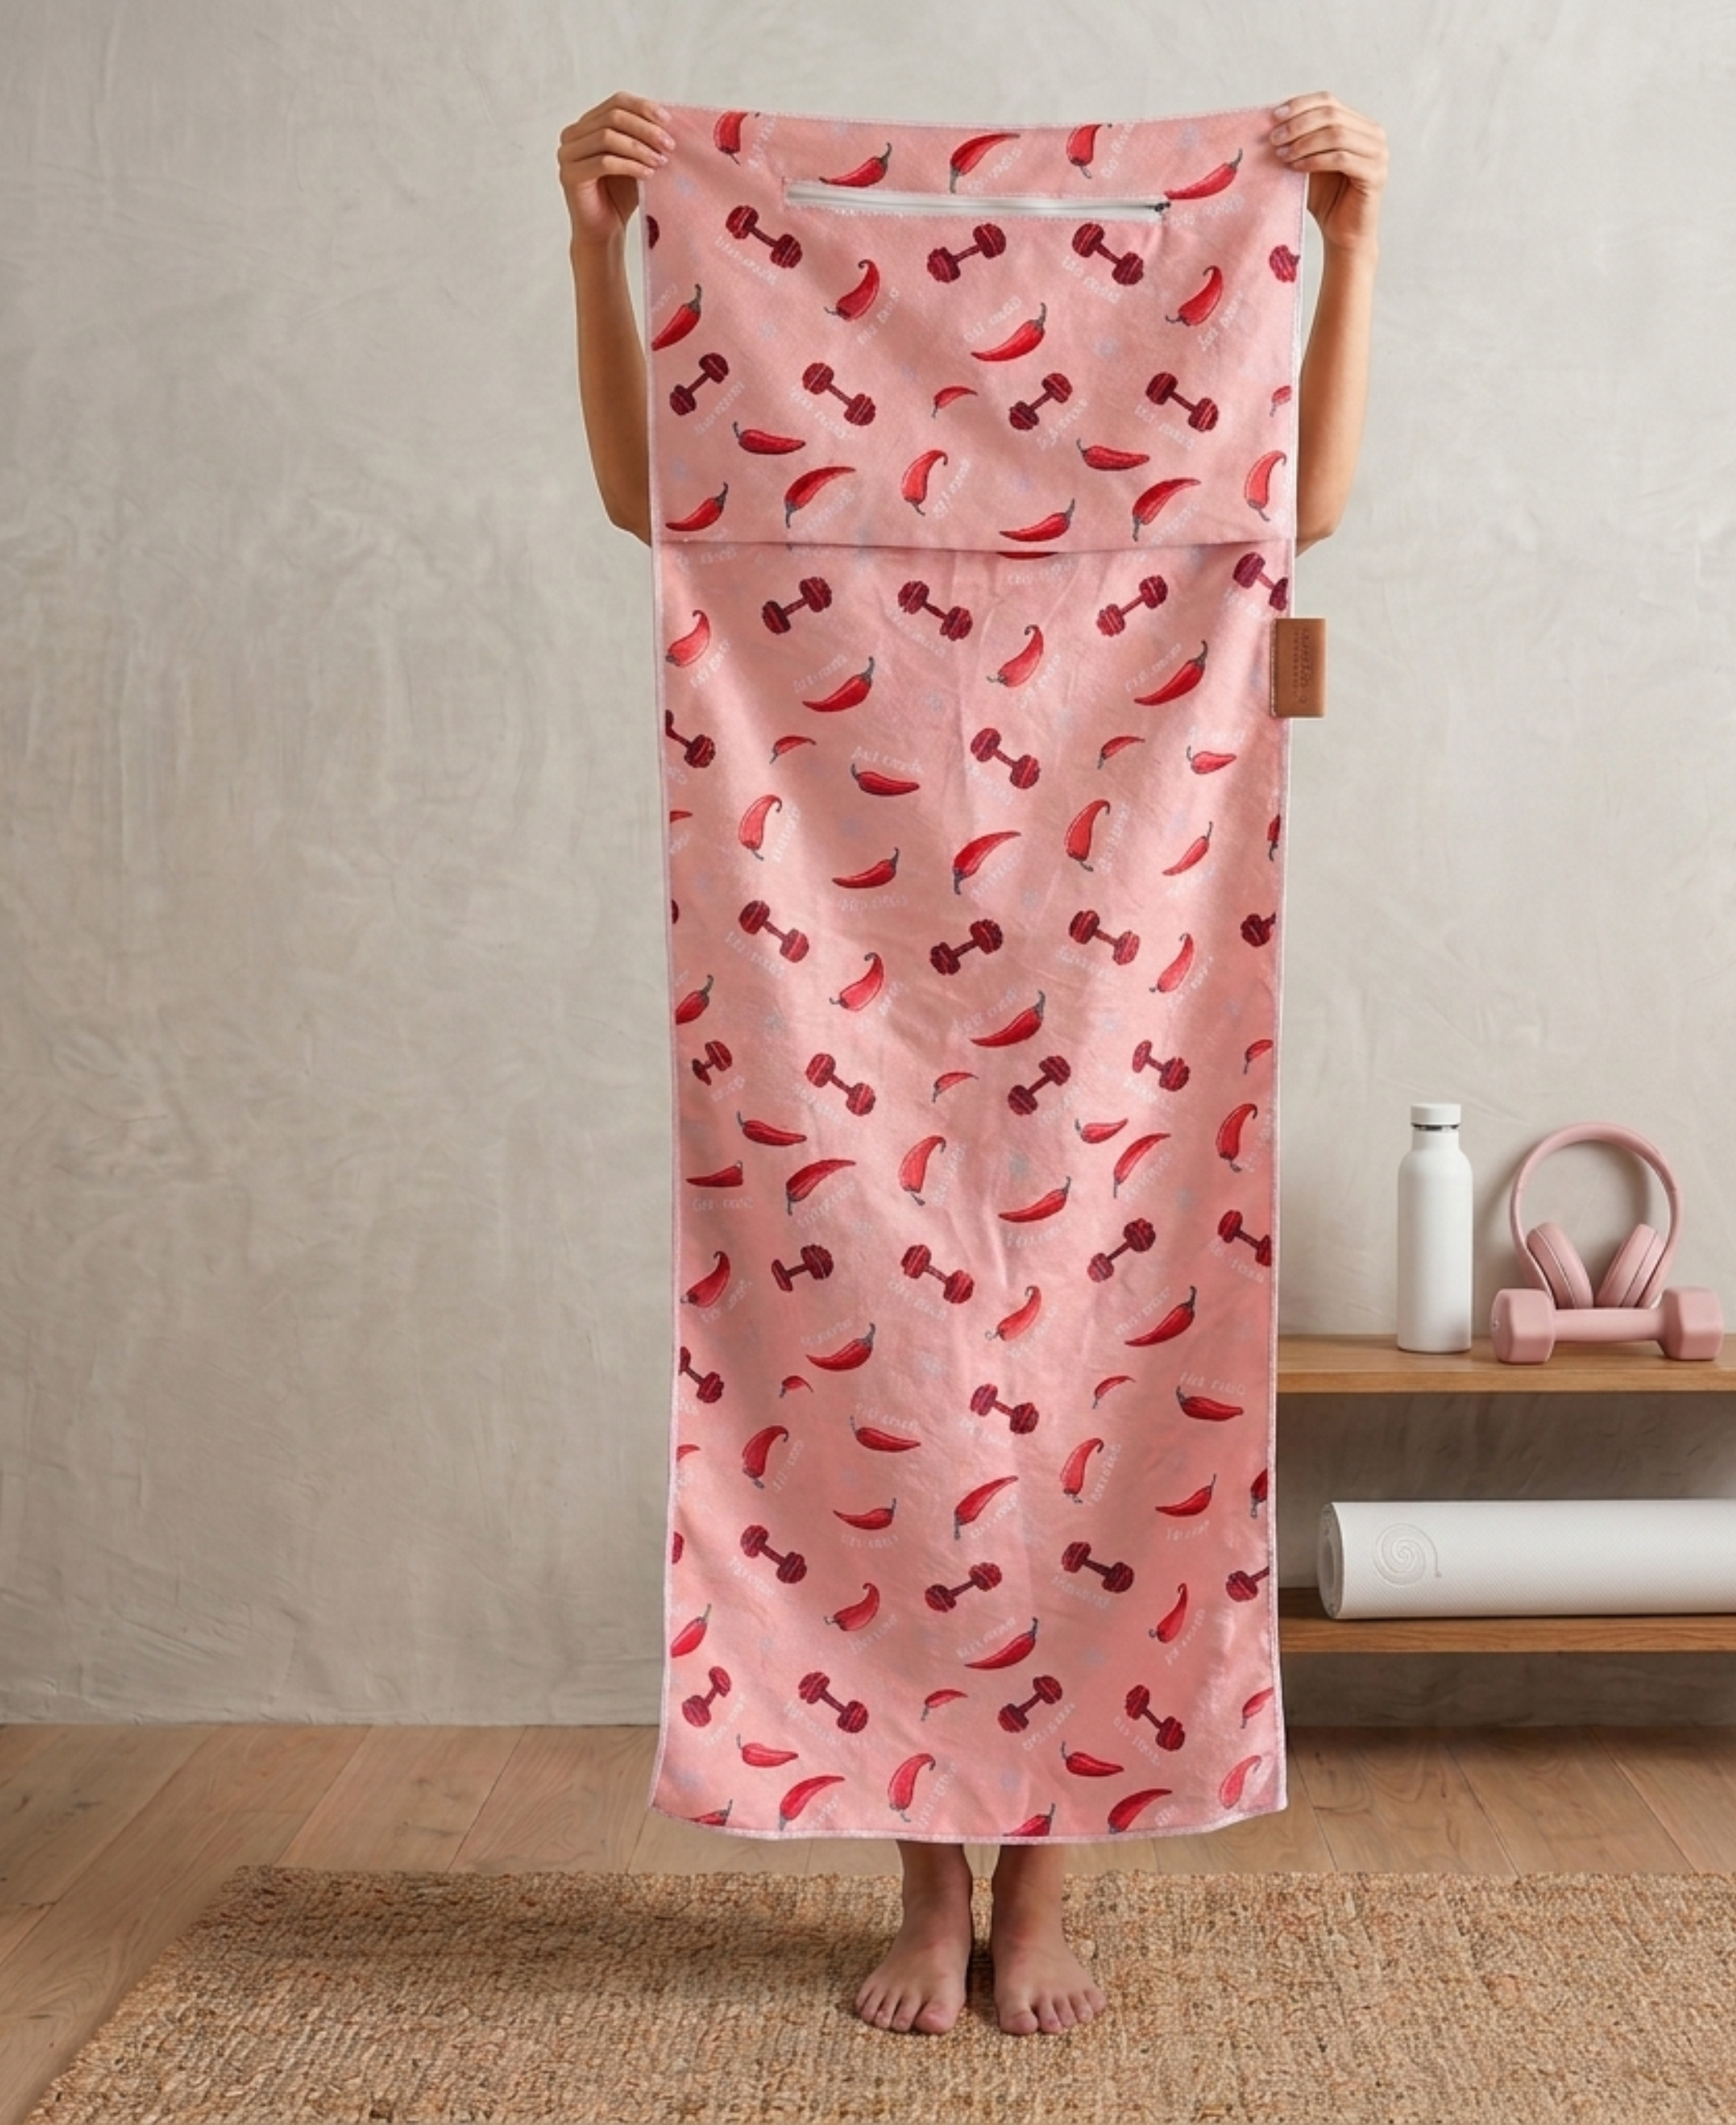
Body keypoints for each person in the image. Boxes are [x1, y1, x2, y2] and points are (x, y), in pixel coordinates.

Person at [558, 87, 1387, 2036]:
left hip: (1122, 942)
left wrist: (1352, 244)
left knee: (1114, 1362)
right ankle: (926, 1873)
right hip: (837, 941)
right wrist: (595, 244)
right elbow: (646, 496)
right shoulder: (794, 445)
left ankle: (1047, 1884)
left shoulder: (1162, 437)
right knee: (883, 1374)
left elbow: (1308, 504)